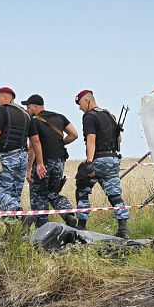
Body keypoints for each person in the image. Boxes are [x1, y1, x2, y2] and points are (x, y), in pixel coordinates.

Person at [0, 87, 47, 233]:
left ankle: (20, 213)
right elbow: (36, 141)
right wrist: (40, 163)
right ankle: (12, 232)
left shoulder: (2, 111)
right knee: (13, 194)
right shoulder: (26, 115)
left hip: (6, 157)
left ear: (6, 97)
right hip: (22, 157)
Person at [74, 90, 129, 238]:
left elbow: (91, 140)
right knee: (115, 195)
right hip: (113, 159)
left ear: (87, 101)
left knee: (82, 187)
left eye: (80, 104)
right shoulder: (108, 115)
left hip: (99, 159)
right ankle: (123, 230)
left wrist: (89, 162)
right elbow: (119, 139)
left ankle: (81, 227)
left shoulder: (89, 117)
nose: (80, 108)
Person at [22, 94, 80, 228]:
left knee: (39, 196)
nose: (27, 110)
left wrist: (29, 169)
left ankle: (42, 231)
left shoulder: (34, 121)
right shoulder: (60, 117)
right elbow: (74, 135)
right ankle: (68, 215)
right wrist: (61, 143)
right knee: (53, 193)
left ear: (35, 107)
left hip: (42, 164)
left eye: (29, 108)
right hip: (59, 162)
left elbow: (32, 147)